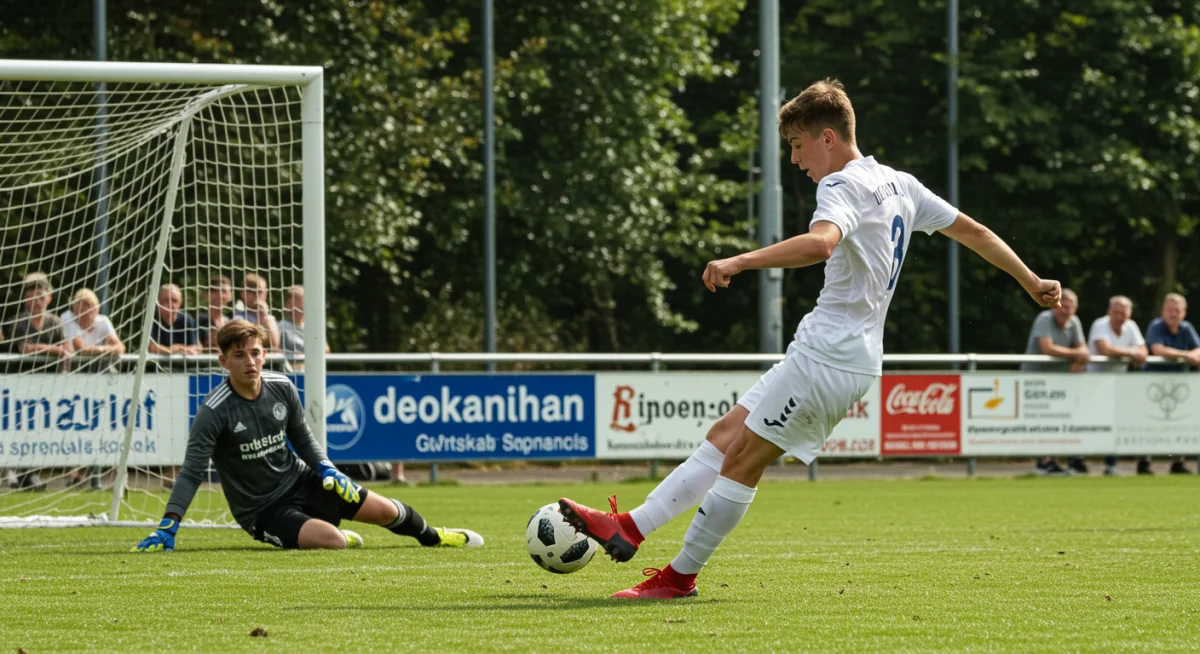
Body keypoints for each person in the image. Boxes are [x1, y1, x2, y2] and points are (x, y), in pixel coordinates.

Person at [556, 79, 1062, 599]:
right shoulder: (900, 184)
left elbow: (822, 244)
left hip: (831, 357)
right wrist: (1031, 281)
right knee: (727, 435)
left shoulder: (842, 186)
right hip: (831, 353)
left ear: (827, 137)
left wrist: (740, 259)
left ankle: (679, 577)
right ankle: (631, 528)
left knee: (743, 459)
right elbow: (974, 231)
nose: (796, 160)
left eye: (797, 146)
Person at [132, 319, 484, 552]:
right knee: (333, 542)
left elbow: (302, 438)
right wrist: (170, 523)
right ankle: (331, 531)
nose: (250, 362)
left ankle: (434, 536)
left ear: (265, 354)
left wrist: (328, 469)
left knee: (386, 510)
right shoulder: (213, 411)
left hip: (303, 480)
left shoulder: (282, 387)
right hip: (262, 509)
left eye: (255, 353)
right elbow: (192, 472)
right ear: (224, 361)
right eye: (239, 356)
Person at [1020, 288, 1089, 474]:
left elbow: (1083, 348)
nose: (1065, 310)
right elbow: (1047, 348)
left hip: (1059, 382)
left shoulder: (1074, 322)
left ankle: (1061, 460)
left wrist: (1078, 358)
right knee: (1041, 421)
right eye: (1062, 306)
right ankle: (1044, 462)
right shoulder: (1044, 319)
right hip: (1036, 381)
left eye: (1069, 307)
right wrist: (1076, 355)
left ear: (1075, 309)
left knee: (1061, 420)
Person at [1086, 295, 1148, 476]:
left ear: (1129, 314)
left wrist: (1135, 354)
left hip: (1117, 384)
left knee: (1115, 423)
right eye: (1116, 312)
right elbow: (1105, 349)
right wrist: (1131, 352)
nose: (1119, 316)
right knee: (1086, 423)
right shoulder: (1100, 324)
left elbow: (1143, 351)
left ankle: (1110, 464)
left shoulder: (1132, 327)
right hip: (1093, 383)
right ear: (1108, 312)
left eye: (1123, 313)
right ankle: (1076, 461)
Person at [1142, 292, 1200, 474]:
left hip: (1179, 387)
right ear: (1163, 311)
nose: (1173, 314)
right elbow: (1157, 349)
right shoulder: (1156, 326)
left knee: (1180, 423)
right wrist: (1185, 355)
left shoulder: (1186, 328)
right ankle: (1144, 462)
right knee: (1149, 425)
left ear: (1183, 313)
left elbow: (1198, 348)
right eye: (1170, 309)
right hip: (1153, 386)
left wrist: (1193, 354)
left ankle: (1178, 462)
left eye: (1177, 310)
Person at [9, 273, 73, 373]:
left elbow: (67, 348)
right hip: (21, 376)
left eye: (41, 297)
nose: (37, 302)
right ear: (25, 299)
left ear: (49, 298)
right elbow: (26, 348)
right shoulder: (17, 322)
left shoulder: (55, 322)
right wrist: (57, 350)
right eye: (32, 298)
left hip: (51, 377)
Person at [61, 288, 126, 368]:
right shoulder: (67, 318)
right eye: (85, 307)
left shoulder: (103, 321)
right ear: (75, 308)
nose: (89, 311)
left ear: (97, 309)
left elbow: (120, 347)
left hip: (100, 367)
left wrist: (100, 349)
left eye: (92, 307)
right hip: (76, 367)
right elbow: (81, 349)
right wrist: (106, 350)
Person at [148, 283, 202, 356]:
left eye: (174, 301)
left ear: (180, 303)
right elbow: (152, 348)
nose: (171, 304)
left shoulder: (187, 320)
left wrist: (179, 349)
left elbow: (197, 348)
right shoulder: (151, 319)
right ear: (158, 302)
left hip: (184, 366)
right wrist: (171, 351)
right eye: (167, 300)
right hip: (156, 365)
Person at [234, 273, 280, 350]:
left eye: (259, 291)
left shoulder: (269, 319)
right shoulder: (237, 318)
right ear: (242, 293)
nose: (256, 294)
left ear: (265, 294)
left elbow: (275, 345)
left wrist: (264, 317)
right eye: (251, 290)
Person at [196, 275, 234, 351]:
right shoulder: (197, 322)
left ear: (230, 295)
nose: (219, 295)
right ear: (206, 295)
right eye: (214, 290)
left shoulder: (234, 321)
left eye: (223, 291)